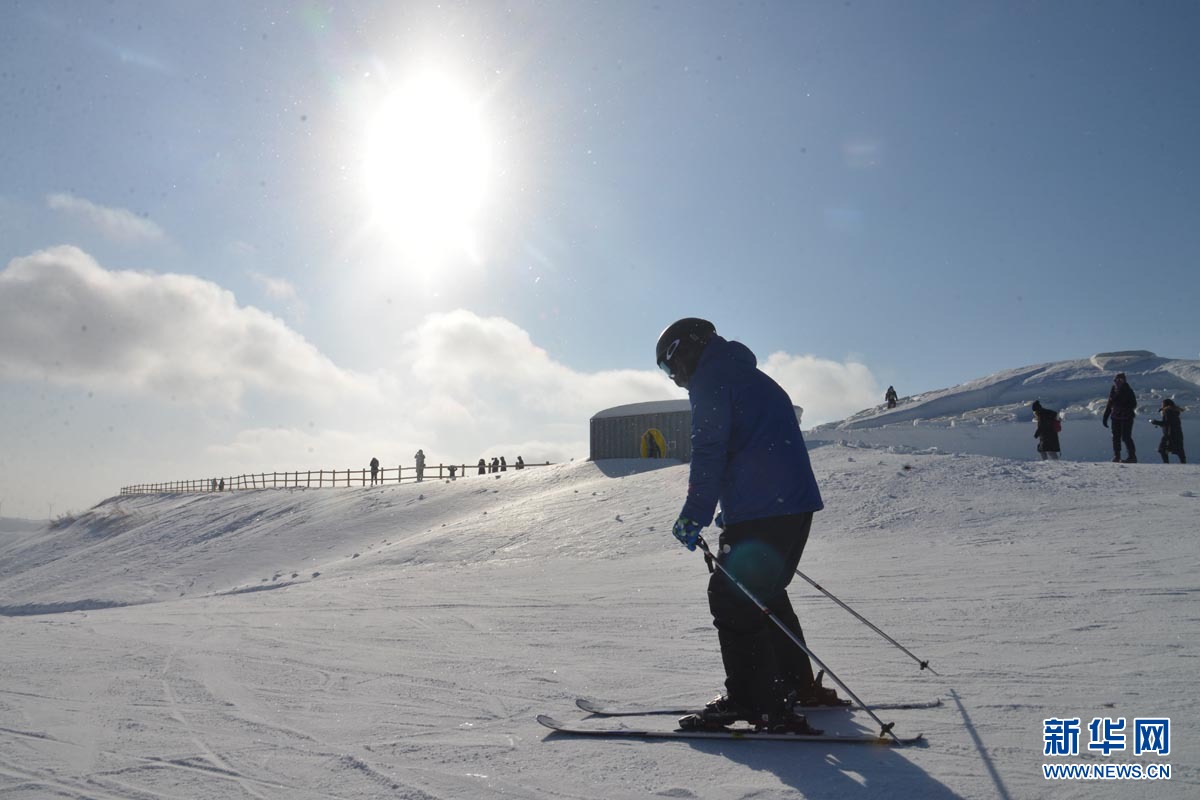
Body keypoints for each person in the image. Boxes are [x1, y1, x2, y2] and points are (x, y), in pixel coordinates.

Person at [655, 317, 828, 734]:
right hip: (792, 506)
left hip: (761, 510)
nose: (674, 378)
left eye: (669, 365)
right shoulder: (746, 373)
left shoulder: (711, 379)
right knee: (763, 595)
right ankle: (792, 685)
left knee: (732, 601)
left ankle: (758, 703)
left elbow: (709, 451)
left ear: (685, 350)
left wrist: (693, 516)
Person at [1102, 372, 1138, 463]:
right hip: (1115, 417)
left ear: (1124, 381)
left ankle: (1132, 456)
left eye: (1120, 380)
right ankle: (1116, 456)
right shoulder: (1113, 389)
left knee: (1126, 437)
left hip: (1127, 416)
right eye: (1116, 380)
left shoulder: (1128, 390)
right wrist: (1105, 416)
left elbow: (1134, 404)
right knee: (1115, 436)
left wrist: (1124, 408)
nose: (1118, 382)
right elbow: (1110, 404)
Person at [1151, 399, 1186, 464]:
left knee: (1162, 449)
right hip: (1177, 434)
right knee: (1179, 450)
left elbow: (1167, 423)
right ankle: (1183, 463)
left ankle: (1166, 464)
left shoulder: (1167, 411)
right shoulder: (1174, 412)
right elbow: (1171, 423)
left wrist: (1155, 422)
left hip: (1169, 434)